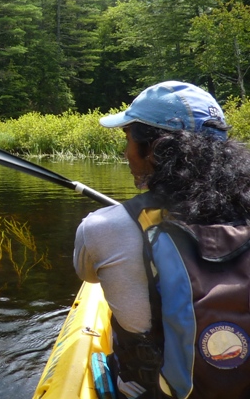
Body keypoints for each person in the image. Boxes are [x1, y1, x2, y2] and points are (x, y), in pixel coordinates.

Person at [74, 80, 250, 399]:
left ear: (155, 150)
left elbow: (86, 275)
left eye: (128, 138)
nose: (125, 152)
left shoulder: (101, 227)